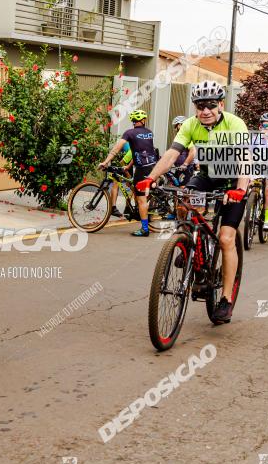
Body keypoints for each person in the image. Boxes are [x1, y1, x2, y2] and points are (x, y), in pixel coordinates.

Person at [136, 80, 249, 324]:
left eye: (210, 105)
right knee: (183, 197)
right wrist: (150, 178)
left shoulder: (235, 124)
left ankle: (226, 299)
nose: (205, 111)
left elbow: (245, 159)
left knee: (226, 238)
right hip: (208, 176)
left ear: (220, 105)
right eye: (200, 106)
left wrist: (240, 189)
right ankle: (187, 240)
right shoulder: (190, 124)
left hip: (232, 181)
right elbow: (171, 154)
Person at [98, 109, 159, 236]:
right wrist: (129, 166)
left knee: (141, 199)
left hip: (142, 169)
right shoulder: (149, 132)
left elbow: (116, 148)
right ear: (143, 120)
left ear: (133, 121)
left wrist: (106, 161)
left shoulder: (129, 133)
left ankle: (144, 229)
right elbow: (144, 151)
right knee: (140, 192)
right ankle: (141, 213)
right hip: (154, 166)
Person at [170, 115, 196, 185]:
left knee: (183, 189)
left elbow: (192, 152)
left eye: (176, 126)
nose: (175, 128)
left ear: (181, 125)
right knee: (174, 187)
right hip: (178, 168)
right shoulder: (179, 137)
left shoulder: (187, 137)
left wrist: (185, 164)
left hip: (186, 168)